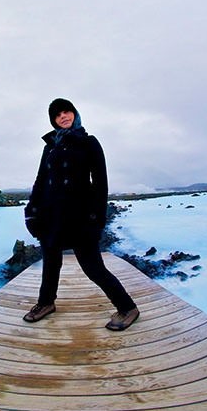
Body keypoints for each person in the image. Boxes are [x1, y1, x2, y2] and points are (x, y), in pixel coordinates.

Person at [22, 98, 140, 331]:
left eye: (67, 112)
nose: (63, 117)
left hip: (79, 215)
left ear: (75, 114)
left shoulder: (89, 143)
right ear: (53, 120)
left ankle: (127, 307)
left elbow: (100, 183)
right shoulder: (50, 147)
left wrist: (97, 217)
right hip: (50, 214)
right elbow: (40, 181)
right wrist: (31, 211)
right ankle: (46, 303)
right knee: (51, 262)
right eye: (57, 115)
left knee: (92, 266)